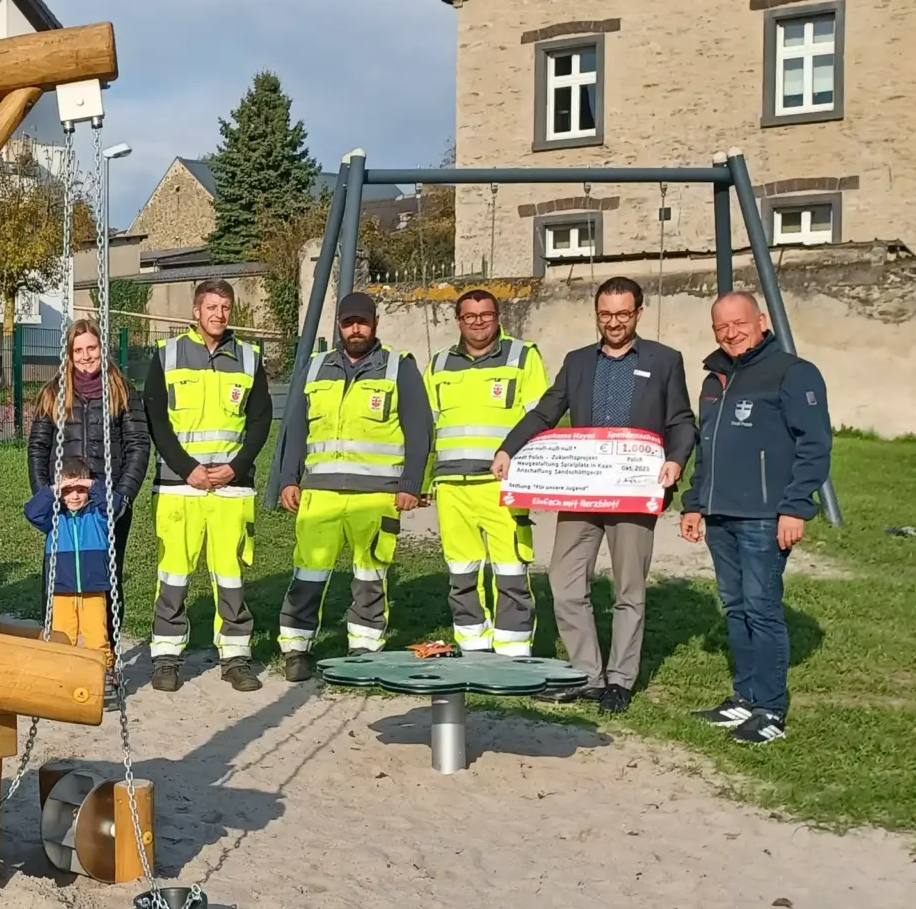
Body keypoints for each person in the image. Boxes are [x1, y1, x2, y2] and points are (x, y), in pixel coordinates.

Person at [496, 276, 696, 713]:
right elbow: (547, 411)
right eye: (606, 314)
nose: (614, 323)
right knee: (564, 582)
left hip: (633, 491)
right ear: (597, 314)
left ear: (639, 313)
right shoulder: (579, 361)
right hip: (583, 492)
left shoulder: (664, 361)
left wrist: (676, 460)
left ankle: (620, 680)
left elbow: (681, 420)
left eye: (623, 314)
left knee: (629, 589)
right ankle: (587, 673)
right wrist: (509, 448)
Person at [680, 291, 832, 745]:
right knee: (735, 607)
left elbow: (815, 445)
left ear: (761, 320)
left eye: (739, 323)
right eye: (721, 327)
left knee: (762, 609)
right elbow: (707, 448)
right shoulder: (715, 379)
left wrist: (794, 506)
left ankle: (770, 710)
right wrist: (694, 503)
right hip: (721, 515)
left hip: (766, 516)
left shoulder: (792, 373)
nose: (731, 333)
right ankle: (744, 698)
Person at [273, 292, 431, 682]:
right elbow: (296, 429)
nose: (355, 329)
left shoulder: (399, 368)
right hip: (320, 493)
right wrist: (288, 478)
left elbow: (419, 428)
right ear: (339, 325)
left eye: (362, 322)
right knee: (307, 573)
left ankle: (364, 649)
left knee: (370, 575)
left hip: (377, 494)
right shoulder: (314, 368)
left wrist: (411, 483)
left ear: (374, 323)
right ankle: (296, 648)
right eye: (348, 322)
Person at [143, 279, 272, 693]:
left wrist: (237, 467)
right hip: (180, 487)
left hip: (231, 488)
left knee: (230, 575)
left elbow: (260, 422)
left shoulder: (250, 359)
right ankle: (166, 655)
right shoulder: (167, 355)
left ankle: (235, 657)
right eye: (211, 307)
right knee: (174, 574)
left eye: (226, 307)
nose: (219, 314)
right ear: (195, 311)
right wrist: (186, 469)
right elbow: (156, 421)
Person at [423, 289, 551, 657]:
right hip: (451, 486)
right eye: (469, 316)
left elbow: (539, 419)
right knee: (461, 571)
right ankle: (473, 645)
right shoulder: (439, 363)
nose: (478, 321)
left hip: (502, 485)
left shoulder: (522, 357)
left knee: (510, 569)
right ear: (458, 320)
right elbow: (424, 427)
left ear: (498, 316)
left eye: (485, 314)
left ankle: (513, 648)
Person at [27, 318, 149, 596]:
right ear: (70, 356)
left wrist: (123, 496)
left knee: (107, 577)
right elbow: (37, 448)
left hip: (106, 500)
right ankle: (57, 634)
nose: (86, 357)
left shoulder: (122, 392)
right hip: (65, 499)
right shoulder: (53, 394)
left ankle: (106, 638)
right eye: (78, 350)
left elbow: (138, 444)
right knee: (60, 574)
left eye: (91, 348)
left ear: (101, 349)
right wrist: (46, 493)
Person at [25, 457, 116, 652]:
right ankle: (65, 674)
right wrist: (54, 489)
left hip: (93, 587)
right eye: (67, 491)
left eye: (80, 490)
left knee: (97, 637)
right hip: (62, 589)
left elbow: (114, 505)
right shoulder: (54, 519)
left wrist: (92, 484)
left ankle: (105, 673)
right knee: (63, 638)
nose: (74, 496)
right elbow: (32, 512)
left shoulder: (98, 516)